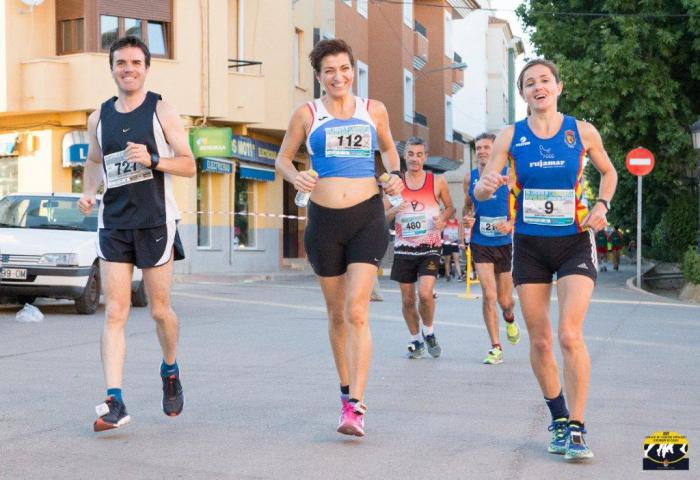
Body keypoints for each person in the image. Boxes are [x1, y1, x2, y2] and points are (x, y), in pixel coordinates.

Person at [474, 58, 617, 460]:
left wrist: (603, 203)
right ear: (522, 95)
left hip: (574, 240)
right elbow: (485, 191)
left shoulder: (581, 131)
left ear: (558, 87)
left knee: (569, 335)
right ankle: (557, 416)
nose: (538, 87)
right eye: (529, 83)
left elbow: (609, 172)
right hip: (530, 245)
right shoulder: (511, 136)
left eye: (544, 80)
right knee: (539, 339)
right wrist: (485, 188)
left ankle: (578, 427)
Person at [275, 39, 403, 437]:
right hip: (324, 221)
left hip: (367, 217)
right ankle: (345, 392)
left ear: (353, 71)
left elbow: (389, 150)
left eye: (344, 69)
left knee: (357, 311)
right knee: (336, 314)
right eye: (329, 70)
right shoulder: (307, 113)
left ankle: (357, 406)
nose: (338, 76)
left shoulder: (373, 110)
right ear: (319, 77)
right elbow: (282, 157)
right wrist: (296, 175)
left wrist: (393, 174)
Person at [78, 36, 195, 432]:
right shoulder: (99, 117)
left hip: (156, 220)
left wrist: (154, 159)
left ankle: (170, 369)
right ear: (111, 68)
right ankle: (114, 400)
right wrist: (88, 192)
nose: (128, 68)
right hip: (114, 222)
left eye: (135, 62)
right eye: (121, 63)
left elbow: (189, 164)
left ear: (146, 68)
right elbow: (94, 161)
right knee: (115, 311)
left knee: (160, 309)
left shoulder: (161, 109)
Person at [385, 137, 454, 359]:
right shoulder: (395, 184)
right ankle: (416, 339)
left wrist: (443, 218)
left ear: (425, 156)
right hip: (404, 248)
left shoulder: (437, 181)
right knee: (407, 300)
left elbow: (450, 207)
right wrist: (393, 212)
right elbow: (380, 214)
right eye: (411, 154)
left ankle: (430, 332)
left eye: (419, 154)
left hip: (429, 246)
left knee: (425, 293)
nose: (415, 159)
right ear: (405, 157)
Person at [463, 132, 521, 365]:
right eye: (479, 148)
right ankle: (495, 346)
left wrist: (510, 224)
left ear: (497, 150)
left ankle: (509, 317)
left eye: (487, 147)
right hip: (481, 242)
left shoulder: (510, 175)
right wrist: (467, 220)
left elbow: (523, 205)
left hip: (505, 243)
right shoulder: (471, 178)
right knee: (489, 294)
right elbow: (468, 208)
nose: (483, 151)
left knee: (505, 300)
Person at [441, 214, 463, 281]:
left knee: (457, 259)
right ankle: (447, 275)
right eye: (452, 213)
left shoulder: (457, 222)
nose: (453, 214)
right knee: (447, 260)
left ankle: (460, 275)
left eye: (454, 213)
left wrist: (460, 241)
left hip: (455, 242)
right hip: (447, 243)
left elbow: (459, 232)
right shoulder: (445, 221)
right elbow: (441, 230)